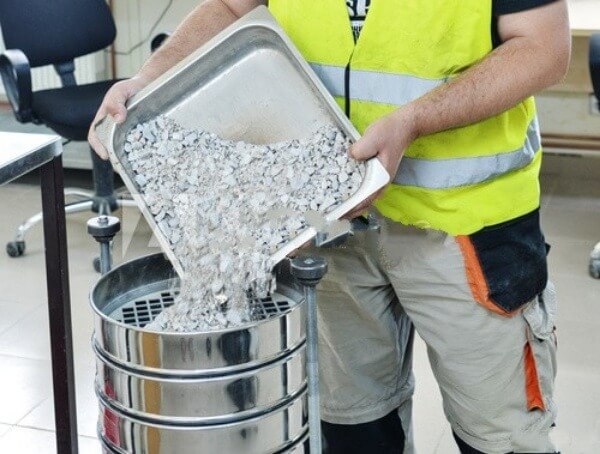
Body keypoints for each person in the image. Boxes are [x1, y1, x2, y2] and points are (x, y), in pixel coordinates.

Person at [89, 1, 571, 452]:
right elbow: (232, 5)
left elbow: (543, 50)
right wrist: (149, 77)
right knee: (351, 427)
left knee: (499, 434)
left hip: (465, 227)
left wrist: (414, 120)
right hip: (325, 223)